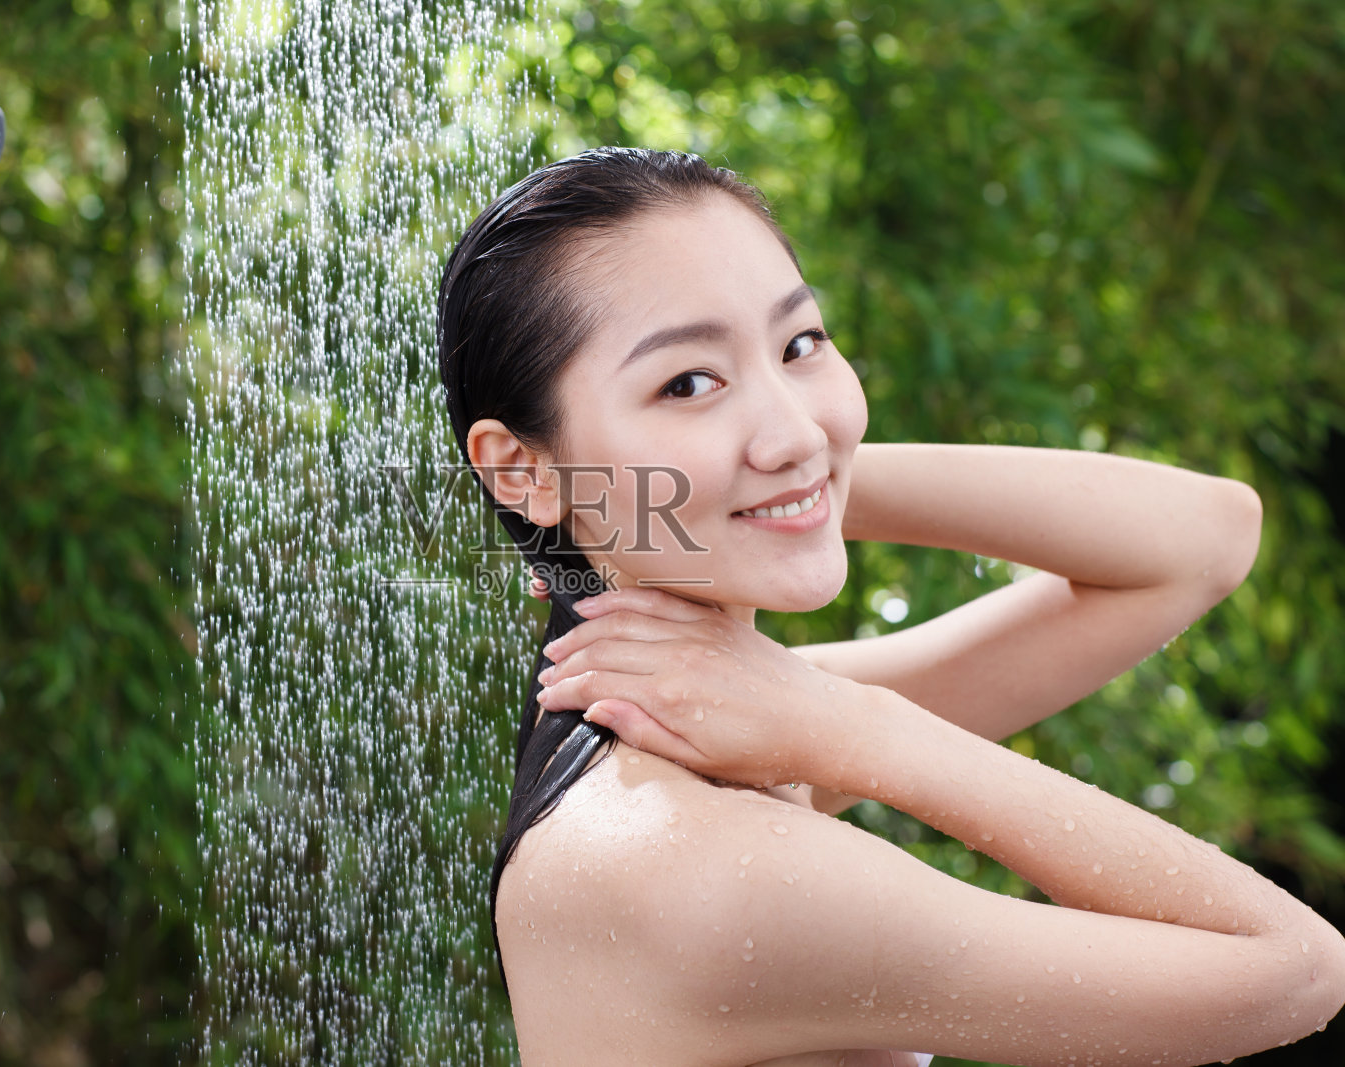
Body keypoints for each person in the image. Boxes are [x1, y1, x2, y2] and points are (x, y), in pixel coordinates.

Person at [436, 146, 1345, 1067]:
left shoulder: (727, 724)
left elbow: (1205, 541)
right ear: (524, 469)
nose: (793, 424)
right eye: (688, 382)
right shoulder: (681, 855)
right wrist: (866, 729)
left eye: (800, 345)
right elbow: (1300, 969)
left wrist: (796, 485)